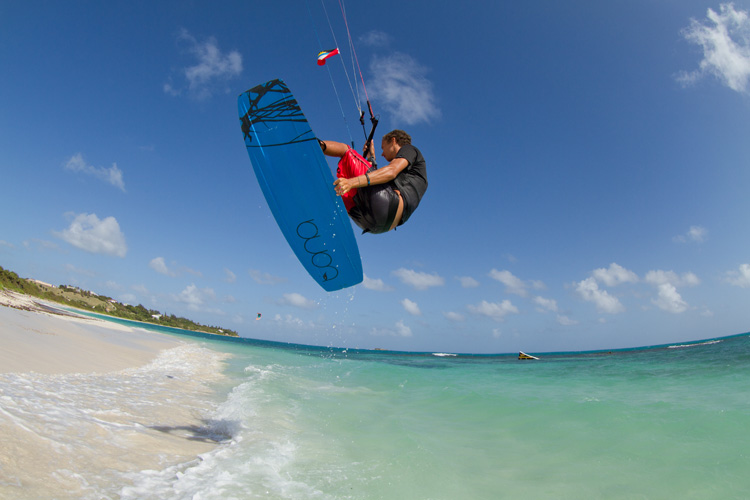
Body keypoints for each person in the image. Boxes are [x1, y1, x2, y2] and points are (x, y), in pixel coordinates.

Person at [318, 130, 427, 234]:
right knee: (337, 192)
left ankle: (315, 145)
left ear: (393, 141)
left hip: (385, 205)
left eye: (383, 148)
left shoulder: (409, 149)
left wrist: (352, 182)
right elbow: (379, 181)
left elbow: (391, 172)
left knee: (345, 151)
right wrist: (371, 158)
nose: (382, 154)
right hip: (376, 225)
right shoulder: (412, 174)